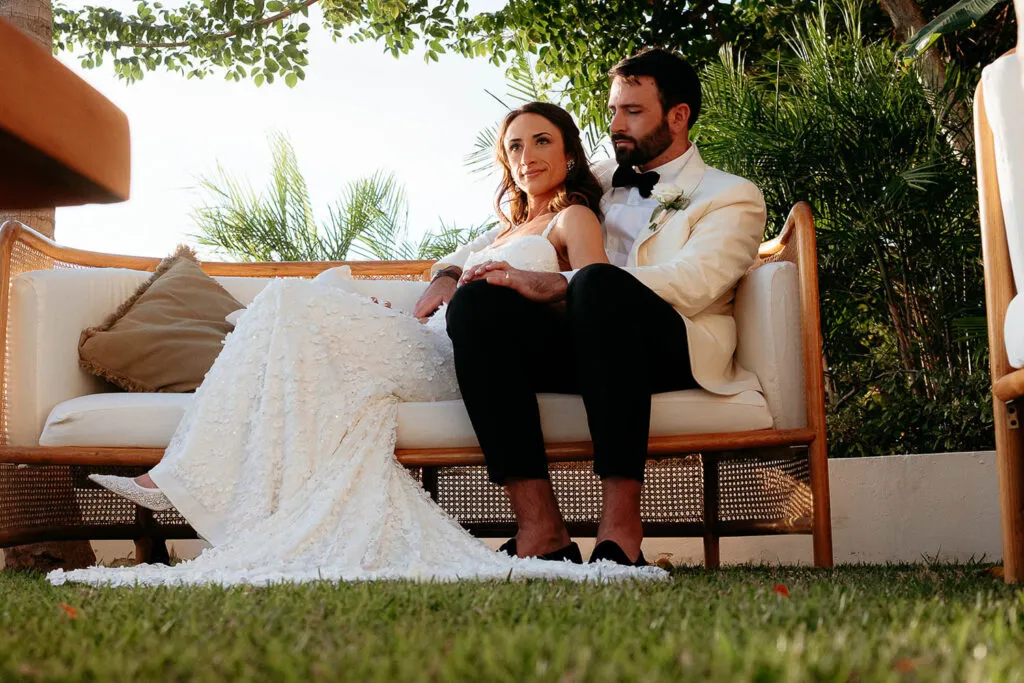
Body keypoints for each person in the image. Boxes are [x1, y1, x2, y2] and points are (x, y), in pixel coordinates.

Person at [53, 102, 666, 587]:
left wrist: (523, 285)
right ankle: (196, 472)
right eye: (514, 146)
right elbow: (450, 272)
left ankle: (185, 470)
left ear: (566, 152)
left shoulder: (573, 216)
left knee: (290, 305)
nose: (527, 155)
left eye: (541, 141)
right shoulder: (500, 228)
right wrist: (448, 279)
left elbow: (588, 294)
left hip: (486, 358)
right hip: (439, 339)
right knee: (289, 307)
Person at [421, 49, 767, 567]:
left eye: (632, 110)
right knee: (477, 304)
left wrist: (564, 283)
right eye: (612, 110)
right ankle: (541, 528)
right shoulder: (600, 177)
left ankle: (621, 527)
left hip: (668, 347)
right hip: (582, 346)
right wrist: (451, 274)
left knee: (598, 284)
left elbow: (694, 284)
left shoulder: (730, 195)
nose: (614, 124)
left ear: (678, 116)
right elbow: (504, 232)